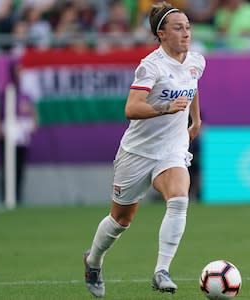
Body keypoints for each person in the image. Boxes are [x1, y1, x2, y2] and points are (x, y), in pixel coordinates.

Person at [83, 1, 206, 297]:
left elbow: (192, 85)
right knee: (120, 220)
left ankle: (161, 270)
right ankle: (93, 261)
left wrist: (195, 119)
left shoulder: (197, 60)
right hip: (138, 152)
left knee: (178, 197)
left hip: (172, 149)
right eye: (178, 28)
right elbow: (132, 108)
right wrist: (165, 107)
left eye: (188, 27)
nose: (186, 33)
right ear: (161, 34)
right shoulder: (150, 66)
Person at [0, 61, 36, 205]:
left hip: (21, 136)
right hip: (7, 135)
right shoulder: (4, 93)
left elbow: (33, 114)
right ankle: (6, 196)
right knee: (7, 167)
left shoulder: (25, 94)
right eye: (18, 70)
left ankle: (17, 196)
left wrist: (32, 124)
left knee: (19, 168)